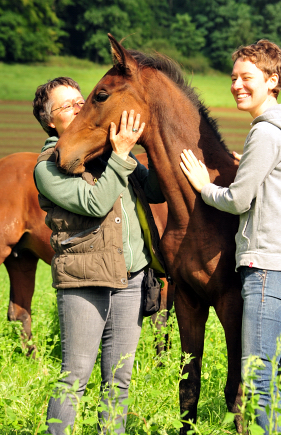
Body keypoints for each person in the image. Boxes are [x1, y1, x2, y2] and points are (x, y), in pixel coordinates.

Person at [180, 40, 281, 433]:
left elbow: (239, 201)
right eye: (233, 78)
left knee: (257, 378)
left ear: (272, 80)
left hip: (266, 268)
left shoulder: (265, 134)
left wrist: (205, 186)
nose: (237, 85)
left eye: (247, 77)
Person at [33, 76, 165, 434]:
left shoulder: (110, 151)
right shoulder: (48, 166)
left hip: (131, 276)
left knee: (119, 379)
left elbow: (154, 190)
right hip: (85, 281)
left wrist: (147, 144)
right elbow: (94, 202)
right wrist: (121, 155)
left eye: (82, 101)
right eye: (68, 106)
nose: (80, 108)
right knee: (75, 376)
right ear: (50, 120)